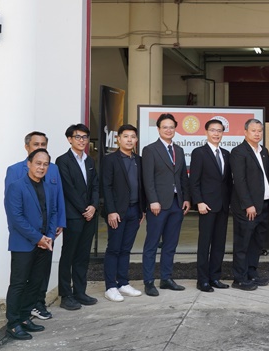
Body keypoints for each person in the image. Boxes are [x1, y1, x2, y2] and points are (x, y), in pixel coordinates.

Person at [4, 131, 65, 321]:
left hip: (45, 240)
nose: (42, 167)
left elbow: (53, 208)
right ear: (29, 162)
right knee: (19, 283)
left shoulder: (48, 181)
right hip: (25, 240)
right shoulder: (16, 178)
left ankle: (26, 317)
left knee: (36, 282)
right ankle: (14, 324)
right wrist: (36, 237)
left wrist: (49, 236)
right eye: (38, 163)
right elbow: (15, 214)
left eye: (45, 164)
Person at [141, 113, 191, 296]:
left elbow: (183, 177)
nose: (168, 130)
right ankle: (148, 281)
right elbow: (148, 179)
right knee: (152, 244)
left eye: (171, 127)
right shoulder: (150, 150)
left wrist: (186, 198)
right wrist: (153, 200)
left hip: (177, 204)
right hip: (158, 205)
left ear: (175, 129)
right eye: (165, 127)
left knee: (170, 244)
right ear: (158, 129)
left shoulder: (179, 150)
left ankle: (166, 278)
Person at [56, 123, 100, 310]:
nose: (82, 140)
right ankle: (66, 295)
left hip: (90, 215)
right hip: (74, 216)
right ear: (69, 139)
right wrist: (84, 209)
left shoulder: (90, 161)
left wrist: (94, 206)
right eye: (78, 137)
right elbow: (69, 189)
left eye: (85, 137)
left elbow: (95, 186)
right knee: (69, 255)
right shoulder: (62, 161)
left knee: (83, 256)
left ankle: (80, 292)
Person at [100, 124, 145, 302]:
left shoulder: (139, 160)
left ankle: (123, 283)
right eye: (125, 136)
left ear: (136, 140)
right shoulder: (110, 160)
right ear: (118, 139)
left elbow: (141, 186)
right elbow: (106, 186)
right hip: (117, 212)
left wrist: (142, 210)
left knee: (126, 249)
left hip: (135, 210)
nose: (129, 140)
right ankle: (110, 286)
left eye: (132, 136)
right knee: (114, 249)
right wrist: (111, 211)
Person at [229, 119, 269, 291]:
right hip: (247, 207)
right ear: (245, 132)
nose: (257, 134)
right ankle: (239, 278)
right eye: (253, 130)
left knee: (256, 242)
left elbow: (267, 178)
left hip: (264, 204)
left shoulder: (264, 151)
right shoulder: (238, 152)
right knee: (243, 243)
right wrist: (248, 204)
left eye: (259, 131)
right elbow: (239, 181)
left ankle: (252, 272)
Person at [189, 119, 233, 293]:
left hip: (222, 206)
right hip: (206, 205)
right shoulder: (199, 152)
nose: (216, 133)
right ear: (206, 132)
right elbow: (194, 181)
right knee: (204, 244)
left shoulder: (226, 154)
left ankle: (215, 277)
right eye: (213, 130)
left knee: (219, 244)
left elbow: (227, 182)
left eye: (219, 131)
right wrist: (199, 202)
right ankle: (203, 280)